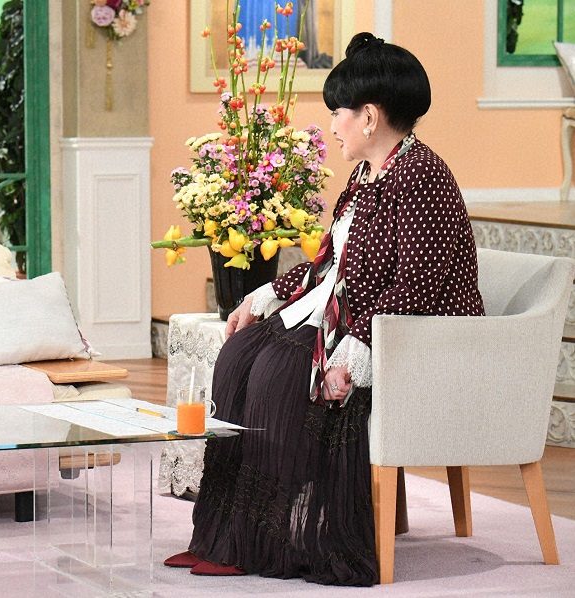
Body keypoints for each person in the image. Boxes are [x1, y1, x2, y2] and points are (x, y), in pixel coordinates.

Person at [164, 33, 485, 586]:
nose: (332, 125)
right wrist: (264, 296)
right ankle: (227, 536)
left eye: (338, 113)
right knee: (239, 355)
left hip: (412, 342)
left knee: (278, 372)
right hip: (358, 319)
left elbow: (416, 286)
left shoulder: (422, 177)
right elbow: (330, 262)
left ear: (369, 117)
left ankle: (276, 541)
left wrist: (354, 355)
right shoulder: (367, 175)